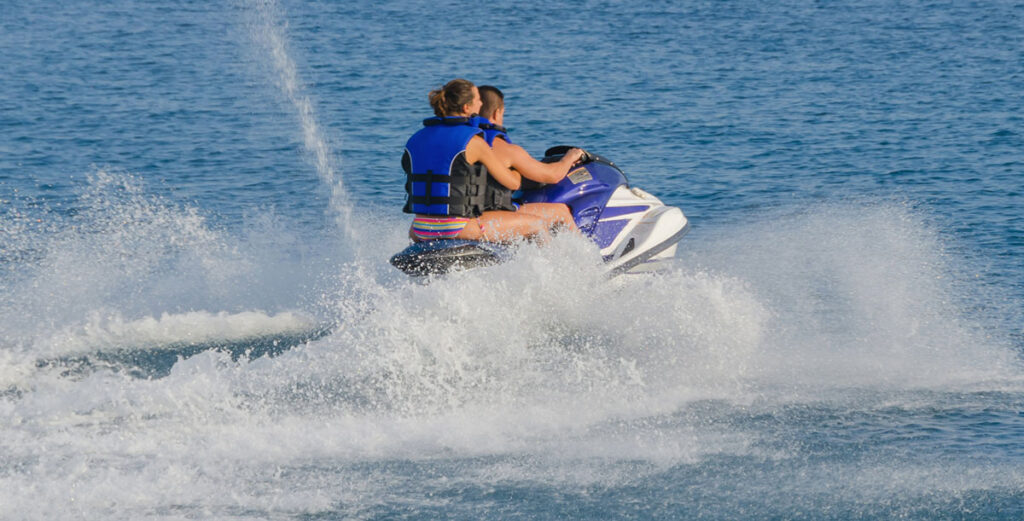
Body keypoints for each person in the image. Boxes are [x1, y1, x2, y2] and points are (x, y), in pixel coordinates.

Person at [403, 79, 583, 243]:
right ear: (467, 107)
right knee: (537, 226)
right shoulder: (473, 142)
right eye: (477, 100)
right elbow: (511, 182)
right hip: (459, 227)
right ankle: (555, 276)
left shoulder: (415, 139)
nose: (480, 104)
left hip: (420, 228)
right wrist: (515, 169)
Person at [475, 85, 578, 231]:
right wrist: (570, 157)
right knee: (562, 212)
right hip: (492, 215)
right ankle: (585, 255)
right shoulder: (505, 149)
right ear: (497, 113)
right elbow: (553, 175)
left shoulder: (464, 141)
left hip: (464, 215)